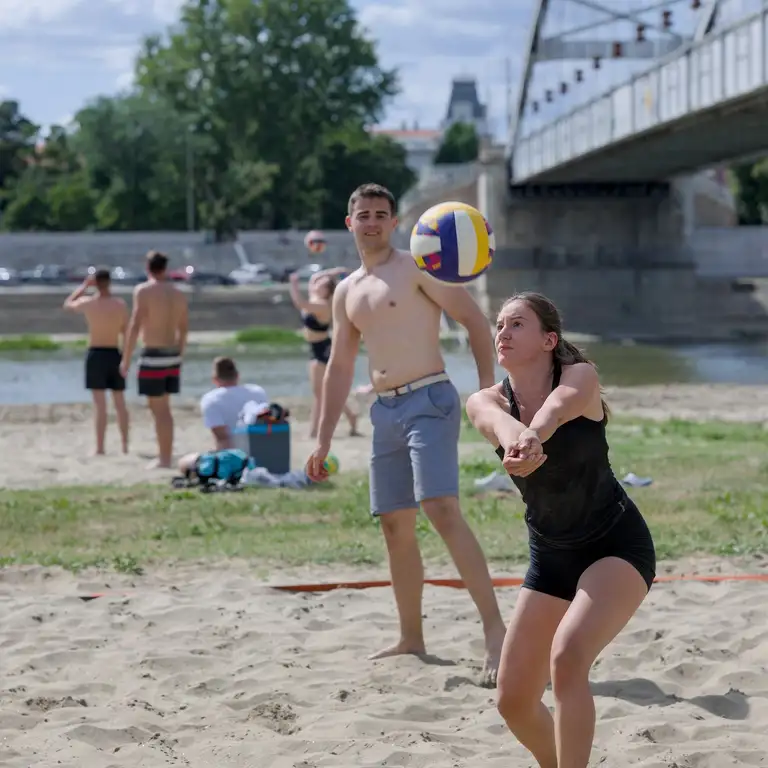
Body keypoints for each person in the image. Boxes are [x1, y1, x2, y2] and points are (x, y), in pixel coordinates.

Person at [305, 182, 507, 686]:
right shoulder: (347, 290)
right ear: (349, 223)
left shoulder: (419, 267)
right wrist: (323, 437)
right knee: (394, 525)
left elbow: (476, 323)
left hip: (430, 400)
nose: (371, 221)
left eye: (380, 214)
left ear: (393, 222)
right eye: (363, 214)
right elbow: (339, 366)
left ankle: (497, 633)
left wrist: (487, 395)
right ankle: (411, 638)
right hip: (384, 411)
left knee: (441, 510)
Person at [465, 291, 656, 768]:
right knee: (513, 700)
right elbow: (496, 423)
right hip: (550, 555)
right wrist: (517, 439)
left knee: (568, 659)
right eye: (500, 324)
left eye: (517, 324)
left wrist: (533, 434)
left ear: (549, 339)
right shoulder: (485, 400)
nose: (502, 333)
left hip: (614, 545)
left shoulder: (580, 376)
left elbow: (556, 411)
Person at [120, 250, 189, 469]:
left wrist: (126, 358)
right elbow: (184, 327)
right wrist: (180, 352)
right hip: (171, 353)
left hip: (153, 353)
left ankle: (165, 458)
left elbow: (135, 324)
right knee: (164, 408)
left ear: (148, 267)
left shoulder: (144, 291)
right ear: (165, 268)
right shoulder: (178, 293)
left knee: (158, 410)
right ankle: (166, 454)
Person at [63, 268, 130, 455]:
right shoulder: (119, 304)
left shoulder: (89, 303)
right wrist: (126, 357)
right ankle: (124, 445)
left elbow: (68, 304)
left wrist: (84, 287)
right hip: (114, 353)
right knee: (120, 402)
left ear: (95, 283)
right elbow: (126, 332)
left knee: (100, 405)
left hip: (96, 353)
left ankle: (100, 447)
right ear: (110, 282)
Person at [287, 267, 359, 438]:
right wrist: (334, 272)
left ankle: (314, 431)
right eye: (318, 283)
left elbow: (299, 303)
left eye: (323, 285)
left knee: (320, 392)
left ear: (328, 291)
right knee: (321, 392)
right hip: (314, 348)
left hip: (322, 348)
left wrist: (293, 284)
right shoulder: (316, 297)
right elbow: (314, 277)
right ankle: (350, 416)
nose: (317, 284)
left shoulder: (323, 305)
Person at [178, 356, 268, 475]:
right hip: (264, 455)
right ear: (238, 375)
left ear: (215, 379)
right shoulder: (258, 392)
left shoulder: (211, 399)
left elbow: (223, 438)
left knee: (184, 463)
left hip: (237, 459)